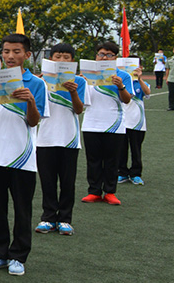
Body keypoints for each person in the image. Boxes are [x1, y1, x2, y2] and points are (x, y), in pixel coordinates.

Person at [0, 34, 47, 277]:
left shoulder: (36, 84)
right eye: (6, 51)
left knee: (22, 209)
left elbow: (34, 121)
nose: (10, 56)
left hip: (22, 157)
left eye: (16, 51)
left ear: (27, 55)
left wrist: (30, 101)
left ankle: (18, 255)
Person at [34, 43, 85, 236]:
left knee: (67, 182)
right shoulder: (41, 82)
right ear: (51, 59)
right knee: (47, 181)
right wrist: (40, 83)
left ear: (72, 61)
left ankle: (65, 219)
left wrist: (73, 91)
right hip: (45, 139)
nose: (61, 60)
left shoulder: (79, 82)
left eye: (66, 57)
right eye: (57, 56)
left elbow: (79, 110)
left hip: (69, 139)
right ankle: (48, 217)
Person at [80, 42, 132, 206]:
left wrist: (120, 86)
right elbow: (81, 101)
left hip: (114, 124)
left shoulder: (123, 76)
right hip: (91, 123)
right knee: (93, 160)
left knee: (112, 161)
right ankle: (94, 191)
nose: (104, 58)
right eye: (101, 54)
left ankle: (110, 192)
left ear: (115, 58)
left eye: (109, 55)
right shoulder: (87, 75)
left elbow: (127, 100)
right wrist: (82, 82)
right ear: (96, 56)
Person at [118, 64, 149, 185]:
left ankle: (136, 174)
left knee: (136, 149)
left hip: (137, 122)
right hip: (122, 121)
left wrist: (140, 79)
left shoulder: (140, 83)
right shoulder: (120, 83)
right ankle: (122, 173)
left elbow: (147, 93)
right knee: (121, 149)